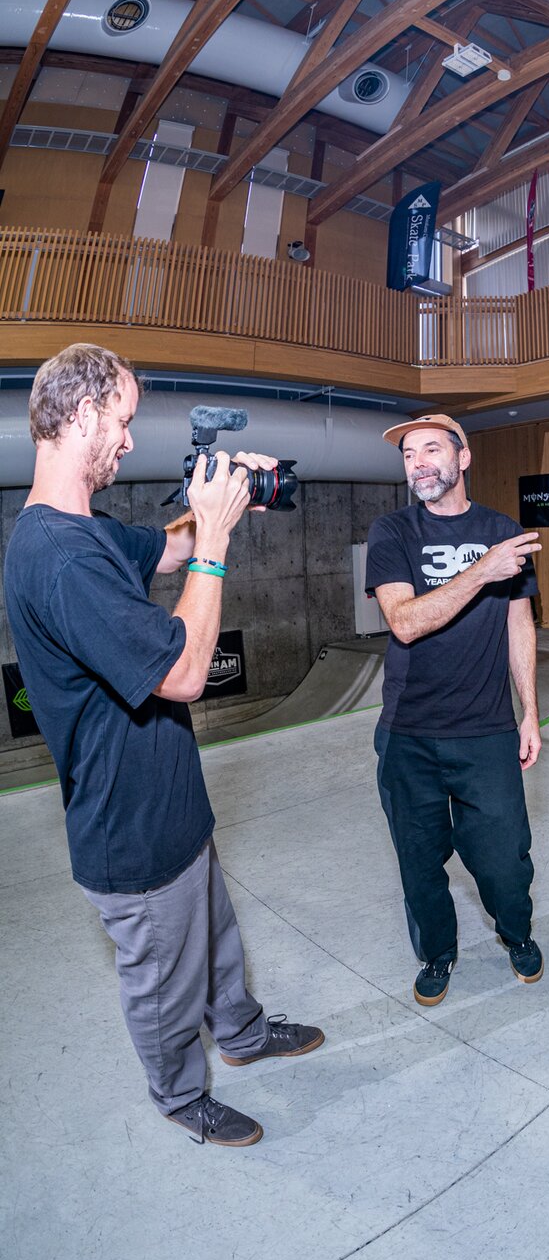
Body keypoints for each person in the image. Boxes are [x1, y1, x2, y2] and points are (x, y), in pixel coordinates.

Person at [3, 344, 323, 1148]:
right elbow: (182, 673)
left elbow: (172, 548)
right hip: (129, 831)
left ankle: (242, 1033)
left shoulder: (87, 531)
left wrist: (223, 498)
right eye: (122, 421)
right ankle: (180, 1096)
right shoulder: (57, 557)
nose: (129, 440)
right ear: (83, 416)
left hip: (171, 804)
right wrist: (215, 543)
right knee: (163, 982)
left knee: (215, 942)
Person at [366, 413, 544, 1007]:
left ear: (463, 458)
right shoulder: (392, 532)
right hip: (408, 734)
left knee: (504, 861)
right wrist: (481, 571)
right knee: (419, 863)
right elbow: (405, 622)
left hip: (487, 729)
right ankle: (437, 954)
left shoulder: (502, 530)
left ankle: (516, 933)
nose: (418, 463)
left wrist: (530, 712)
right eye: (408, 454)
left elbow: (519, 623)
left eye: (431, 450)